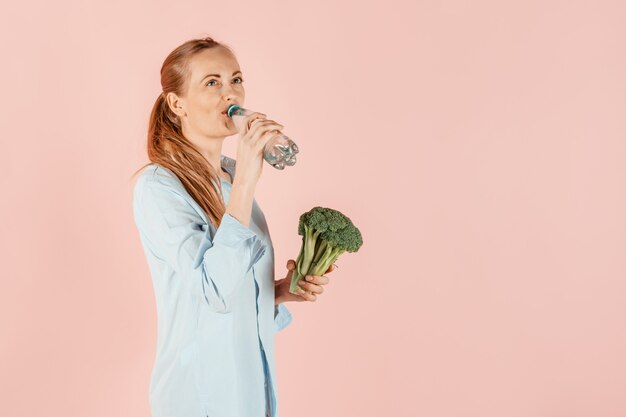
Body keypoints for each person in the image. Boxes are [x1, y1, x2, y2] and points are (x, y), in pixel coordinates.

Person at [131, 37, 335, 417]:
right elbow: (214, 291)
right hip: (200, 395)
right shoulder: (159, 187)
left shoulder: (230, 175)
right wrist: (246, 183)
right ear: (177, 104)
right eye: (212, 82)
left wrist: (278, 292)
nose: (230, 93)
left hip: (251, 390)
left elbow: (232, 290)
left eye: (236, 79)